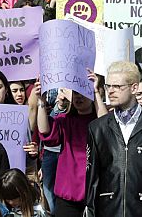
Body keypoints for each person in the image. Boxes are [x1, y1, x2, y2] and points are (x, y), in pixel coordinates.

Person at [85, 61, 142, 217]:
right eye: (108, 86)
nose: (111, 92)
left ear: (134, 88)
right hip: (108, 210)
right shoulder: (97, 129)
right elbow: (92, 180)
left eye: (117, 87)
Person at [31, 78, 96, 217]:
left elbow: (107, 131)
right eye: (75, 93)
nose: (78, 96)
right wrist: (41, 101)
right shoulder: (65, 120)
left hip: (95, 193)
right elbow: (45, 132)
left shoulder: (100, 122)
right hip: (68, 196)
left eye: (83, 92)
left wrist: (96, 91)